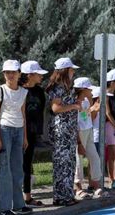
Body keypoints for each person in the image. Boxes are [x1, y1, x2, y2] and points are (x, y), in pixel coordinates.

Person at [0, 60, 32, 215]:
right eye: (7, 72)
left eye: (13, 72)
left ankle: (18, 204)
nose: (10, 75)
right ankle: (3, 208)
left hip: (19, 130)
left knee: (17, 168)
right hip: (4, 129)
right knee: (4, 169)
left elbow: (23, 115)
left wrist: (25, 137)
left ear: (19, 73)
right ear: (3, 74)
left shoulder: (23, 92)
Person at [46, 57, 81, 206]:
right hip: (61, 130)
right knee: (62, 163)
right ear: (65, 71)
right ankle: (61, 197)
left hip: (69, 130)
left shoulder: (67, 87)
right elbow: (56, 109)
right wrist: (73, 106)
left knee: (69, 162)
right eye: (72, 70)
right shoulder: (57, 87)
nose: (73, 72)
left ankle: (67, 194)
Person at [20, 60, 48, 208]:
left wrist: (38, 131)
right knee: (16, 164)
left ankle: (27, 196)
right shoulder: (18, 90)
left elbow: (40, 111)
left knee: (27, 163)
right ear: (30, 75)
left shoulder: (39, 91)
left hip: (32, 132)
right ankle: (13, 195)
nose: (41, 76)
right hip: (18, 131)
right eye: (38, 74)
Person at [73, 77, 105, 199]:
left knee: (95, 158)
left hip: (88, 131)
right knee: (78, 160)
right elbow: (75, 124)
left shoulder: (86, 101)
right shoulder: (75, 103)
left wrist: (93, 109)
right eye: (88, 89)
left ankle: (95, 185)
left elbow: (88, 117)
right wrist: (79, 143)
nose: (91, 91)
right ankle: (78, 188)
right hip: (79, 133)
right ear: (82, 89)